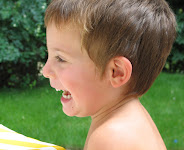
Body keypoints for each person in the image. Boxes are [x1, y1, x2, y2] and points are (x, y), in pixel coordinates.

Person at [42, 0, 176, 149]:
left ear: (116, 72)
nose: (45, 71)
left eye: (61, 59)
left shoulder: (112, 137)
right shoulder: (126, 121)